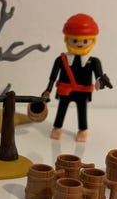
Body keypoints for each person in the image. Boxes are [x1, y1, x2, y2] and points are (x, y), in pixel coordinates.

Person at [43, 13, 112, 142]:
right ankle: (57, 127)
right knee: (61, 109)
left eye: (85, 41)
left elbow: (98, 75)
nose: (80, 43)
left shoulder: (93, 61)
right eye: (75, 40)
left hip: (83, 92)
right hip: (65, 90)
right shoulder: (61, 59)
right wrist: (48, 90)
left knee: (82, 111)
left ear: (92, 40)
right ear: (67, 39)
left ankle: (83, 130)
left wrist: (100, 81)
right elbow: (53, 76)